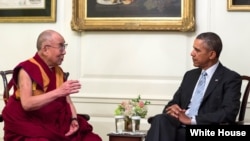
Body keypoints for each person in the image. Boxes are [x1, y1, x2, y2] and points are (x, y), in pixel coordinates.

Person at [2, 30, 102, 141]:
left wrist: (74, 119)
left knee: (93, 139)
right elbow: (27, 104)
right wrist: (59, 91)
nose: (64, 52)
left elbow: (67, 101)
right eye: (61, 47)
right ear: (45, 49)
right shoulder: (26, 69)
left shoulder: (58, 71)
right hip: (31, 125)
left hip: (54, 123)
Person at [145, 32, 242, 141]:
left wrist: (191, 120)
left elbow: (229, 113)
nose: (192, 53)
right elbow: (172, 104)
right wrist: (173, 110)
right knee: (160, 120)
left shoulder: (230, 78)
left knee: (164, 131)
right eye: (193, 49)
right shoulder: (190, 75)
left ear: (211, 55)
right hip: (178, 125)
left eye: (197, 50)